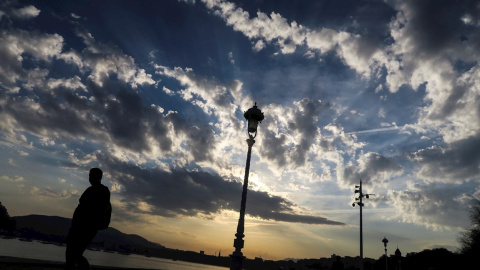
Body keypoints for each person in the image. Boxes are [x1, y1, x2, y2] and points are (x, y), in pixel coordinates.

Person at [65, 168, 111, 270]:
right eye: (90, 175)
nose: (90, 178)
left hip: (86, 228)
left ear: (99, 177)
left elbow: (99, 209)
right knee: (71, 254)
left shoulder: (102, 191)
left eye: (92, 175)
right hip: (78, 227)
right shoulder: (90, 189)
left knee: (75, 254)